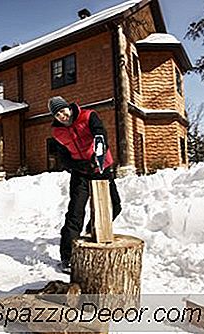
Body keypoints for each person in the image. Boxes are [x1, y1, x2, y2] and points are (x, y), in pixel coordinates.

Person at [48, 96, 121, 272]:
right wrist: (80, 165)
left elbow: (100, 134)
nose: (62, 116)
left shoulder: (88, 116)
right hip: (80, 173)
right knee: (75, 213)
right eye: (57, 114)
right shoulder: (57, 132)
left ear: (69, 108)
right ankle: (68, 257)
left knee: (115, 206)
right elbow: (64, 158)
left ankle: (92, 229)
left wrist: (98, 156)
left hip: (101, 168)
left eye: (63, 111)